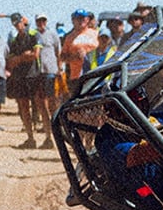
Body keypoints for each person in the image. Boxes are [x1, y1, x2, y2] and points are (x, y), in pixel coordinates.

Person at [7, 13, 41, 147]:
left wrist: (20, 58)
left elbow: (35, 55)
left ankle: (48, 137)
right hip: (21, 76)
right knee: (24, 107)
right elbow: (11, 61)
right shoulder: (15, 40)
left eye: (19, 22)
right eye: (15, 24)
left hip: (34, 75)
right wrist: (23, 57)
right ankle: (30, 137)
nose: (18, 25)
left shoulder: (33, 35)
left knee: (40, 105)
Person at [34, 12, 61, 148]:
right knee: (41, 104)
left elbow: (58, 52)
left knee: (53, 104)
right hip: (38, 73)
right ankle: (48, 136)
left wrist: (59, 69)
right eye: (39, 21)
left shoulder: (52, 34)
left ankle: (57, 135)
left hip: (51, 71)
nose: (41, 23)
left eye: (43, 20)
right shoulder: (34, 35)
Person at [60, 8, 98, 85]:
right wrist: (74, 57)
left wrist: (87, 54)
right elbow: (62, 56)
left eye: (83, 18)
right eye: (78, 18)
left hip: (94, 74)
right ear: (73, 21)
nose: (81, 21)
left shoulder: (96, 33)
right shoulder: (69, 37)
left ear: (87, 20)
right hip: (76, 76)